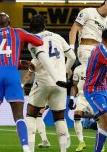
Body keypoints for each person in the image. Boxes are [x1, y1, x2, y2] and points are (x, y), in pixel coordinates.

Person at [0, 12, 44, 152]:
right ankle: (25, 148)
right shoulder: (17, 32)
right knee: (18, 116)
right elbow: (39, 41)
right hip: (11, 74)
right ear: (9, 20)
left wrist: (20, 62)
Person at [24, 14, 76, 152]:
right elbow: (72, 56)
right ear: (45, 25)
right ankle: (63, 150)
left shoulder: (32, 41)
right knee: (59, 118)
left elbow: (43, 59)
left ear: (31, 29)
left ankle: (29, 149)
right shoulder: (57, 37)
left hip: (43, 81)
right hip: (61, 83)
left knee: (31, 114)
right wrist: (64, 72)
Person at [69, 0, 107, 96]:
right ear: (106, 2)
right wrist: (71, 48)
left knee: (105, 77)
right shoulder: (87, 12)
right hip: (86, 49)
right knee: (103, 74)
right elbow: (74, 29)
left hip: (101, 51)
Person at [68, 63, 95, 152]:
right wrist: (71, 98)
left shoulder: (97, 66)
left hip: (94, 96)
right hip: (82, 96)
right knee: (76, 116)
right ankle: (81, 142)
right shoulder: (78, 69)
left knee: (99, 119)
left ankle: (100, 144)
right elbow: (74, 86)